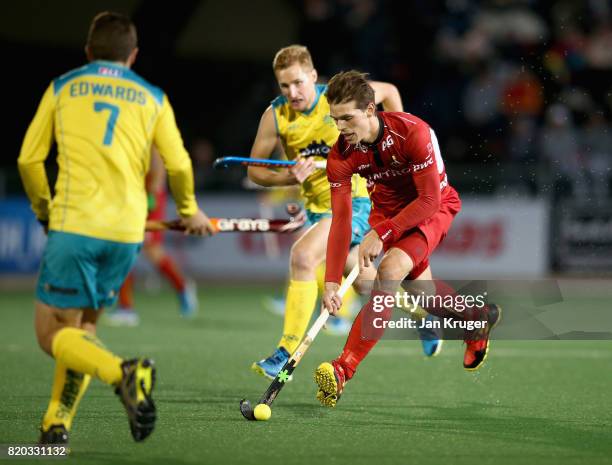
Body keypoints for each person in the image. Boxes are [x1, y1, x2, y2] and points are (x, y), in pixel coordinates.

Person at [17, 12, 215, 444]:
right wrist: (189, 209)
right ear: (134, 55)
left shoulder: (64, 86)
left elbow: (29, 160)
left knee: (51, 334)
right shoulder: (153, 96)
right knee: (82, 330)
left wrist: (44, 210)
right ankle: (56, 425)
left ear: (88, 51)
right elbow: (179, 163)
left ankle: (122, 373)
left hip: (75, 224)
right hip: (127, 233)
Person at [247, 45, 440, 381]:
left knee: (303, 256)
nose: (292, 92)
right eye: (283, 86)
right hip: (318, 208)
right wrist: (288, 176)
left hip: (358, 202)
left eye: (298, 83)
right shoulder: (275, 116)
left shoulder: (338, 99)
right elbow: (255, 171)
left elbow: (390, 92)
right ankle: (425, 318)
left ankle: (285, 351)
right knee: (367, 283)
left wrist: (396, 152)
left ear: (312, 76)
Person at [315, 71, 501, 407]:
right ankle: (476, 318)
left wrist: (383, 233)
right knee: (422, 294)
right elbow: (341, 221)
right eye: (334, 119)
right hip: (387, 213)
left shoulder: (413, 131)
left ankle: (343, 369)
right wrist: (330, 281)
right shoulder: (341, 155)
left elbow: (429, 199)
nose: (340, 128)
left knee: (389, 272)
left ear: (370, 109)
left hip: (431, 207)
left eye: (347, 118)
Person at [106, 147, 198, 327]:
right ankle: (125, 307)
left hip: (149, 197)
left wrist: (150, 199)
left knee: (150, 250)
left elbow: (157, 169)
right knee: (124, 247)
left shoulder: (148, 127)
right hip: (129, 195)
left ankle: (182, 287)